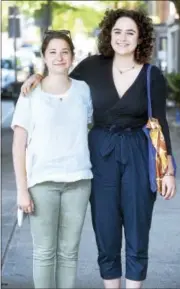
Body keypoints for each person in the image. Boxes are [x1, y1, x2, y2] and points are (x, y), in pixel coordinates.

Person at [20, 9, 176, 289]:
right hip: (101, 153)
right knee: (106, 228)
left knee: (139, 227)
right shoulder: (91, 67)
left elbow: (159, 123)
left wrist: (167, 171)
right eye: (117, 31)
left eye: (130, 32)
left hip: (138, 153)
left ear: (140, 38)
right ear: (109, 35)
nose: (123, 38)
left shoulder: (153, 75)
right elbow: (59, 76)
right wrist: (37, 76)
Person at [12, 31, 93, 289]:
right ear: (44, 57)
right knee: (44, 252)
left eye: (65, 52)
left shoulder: (83, 90)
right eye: (53, 52)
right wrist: (22, 191)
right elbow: (18, 146)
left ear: (72, 56)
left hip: (79, 182)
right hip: (42, 183)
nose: (59, 57)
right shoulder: (30, 93)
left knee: (69, 253)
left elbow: (90, 126)